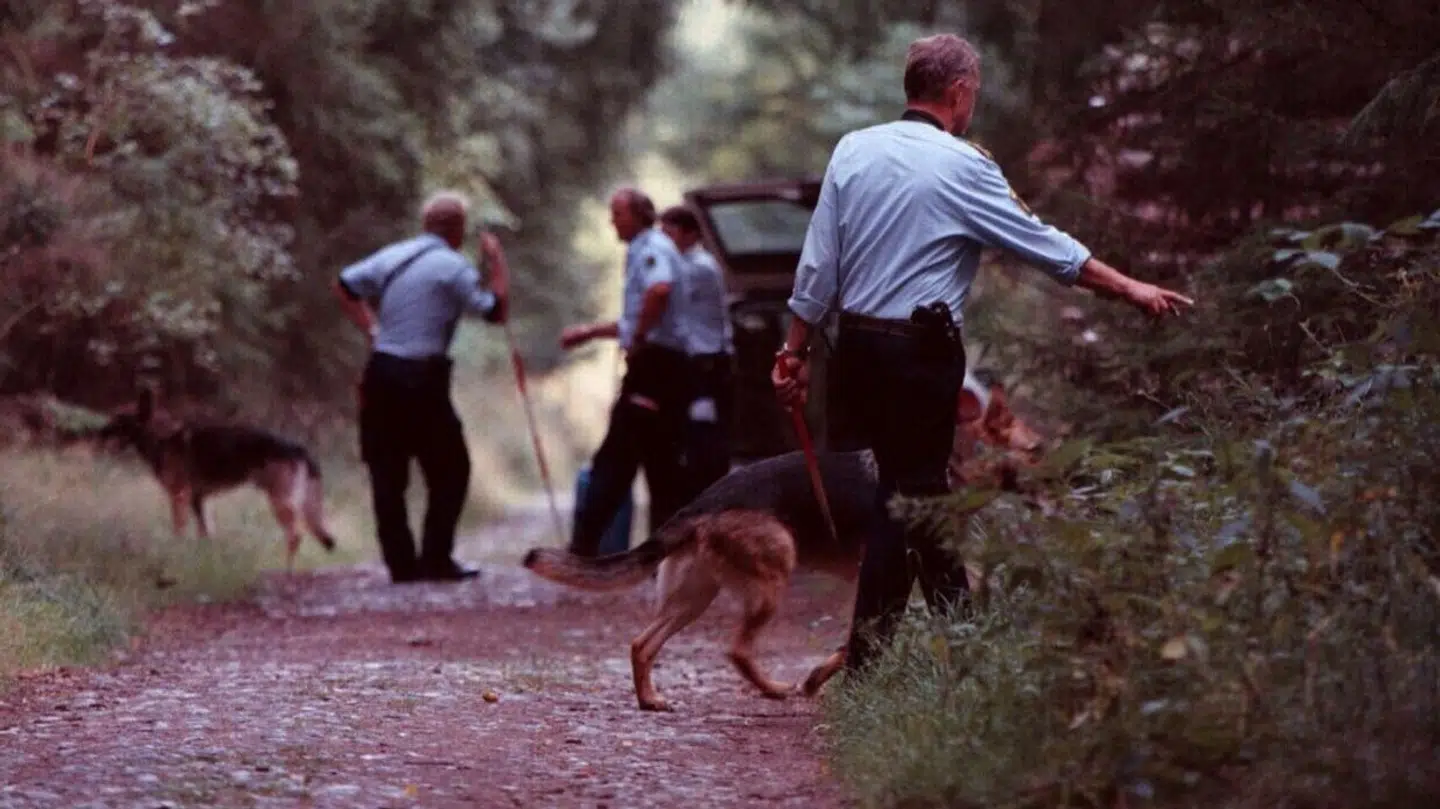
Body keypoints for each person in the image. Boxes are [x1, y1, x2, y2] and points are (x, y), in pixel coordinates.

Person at [770, 33, 1194, 674]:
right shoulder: (964, 165)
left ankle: (951, 645)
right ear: (959, 91)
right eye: (975, 94)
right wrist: (1129, 287)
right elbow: (1044, 245)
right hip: (918, 355)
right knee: (909, 499)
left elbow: (818, 264)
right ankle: (880, 662)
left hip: (853, 351)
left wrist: (793, 353)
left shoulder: (852, 150)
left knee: (914, 492)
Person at [332, 191, 510, 584]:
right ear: (458, 229)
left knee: (387, 471)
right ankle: (436, 558)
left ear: (426, 224)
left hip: (382, 373)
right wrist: (496, 262)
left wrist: (371, 329)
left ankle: (401, 565)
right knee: (451, 469)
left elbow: (345, 285)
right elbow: (495, 312)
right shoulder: (454, 267)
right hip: (424, 378)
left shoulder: (394, 255)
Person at [559, 187, 692, 558]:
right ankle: (662, 554)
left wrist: (638, 339)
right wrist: (589, 333)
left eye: (617, 214)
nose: (612, 221)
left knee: (617, 456)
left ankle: (583, 549)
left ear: (638, 215)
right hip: (665, 364)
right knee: (659, 459)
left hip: (656, 367)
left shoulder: (652, 248)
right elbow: (641, 312)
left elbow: (659, 292)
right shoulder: (645, 249)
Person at [658, 204, 735, 498]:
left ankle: (710, 496)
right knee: (692, 434)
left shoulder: (697, 266)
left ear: (690, 234)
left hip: (707, 363)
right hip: (697, 360)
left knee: (705, 435)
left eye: (670, 234)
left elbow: (662, 299)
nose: (665, 242)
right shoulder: (686, 263)